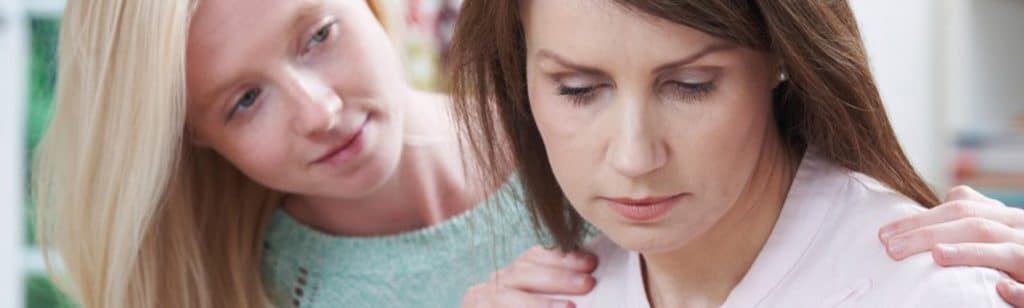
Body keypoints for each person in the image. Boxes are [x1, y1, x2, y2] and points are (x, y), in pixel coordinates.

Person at [31, 0, 1024, 307]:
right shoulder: (263, 282)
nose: (318, 107)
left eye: (318, 32)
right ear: (194, 137)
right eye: (243, 99)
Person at [451, 0, 1016, 306]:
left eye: (691, 84)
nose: (634, 157)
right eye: (577, 89)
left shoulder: (931, 291)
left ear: (779, 57)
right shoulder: (552, 296)